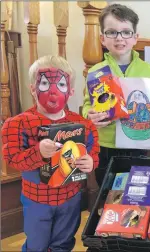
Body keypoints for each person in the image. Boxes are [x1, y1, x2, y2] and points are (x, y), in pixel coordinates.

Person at [1, 55, 100, 252]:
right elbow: (13, 159)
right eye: (44, 83)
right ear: (32, 89)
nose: (53, 91)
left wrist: (90, 162)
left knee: (64, 242)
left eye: (61, 84)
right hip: (36, 200)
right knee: (37, 244)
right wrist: (38, 153)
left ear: (70, 91)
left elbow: (93, 152)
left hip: (70, 198)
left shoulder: (84, 125)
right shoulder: (17, 124)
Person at [82, 4, 150, 186]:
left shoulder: (148, 70)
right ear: (102, 38)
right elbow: (87, 104)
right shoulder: (96, 72)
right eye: (112, 32)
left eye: (126, 32)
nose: (119, 38)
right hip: (106, 145)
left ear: (135, 37)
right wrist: (88, 114)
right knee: (106, 190)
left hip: (138, 143)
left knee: (136, 190)